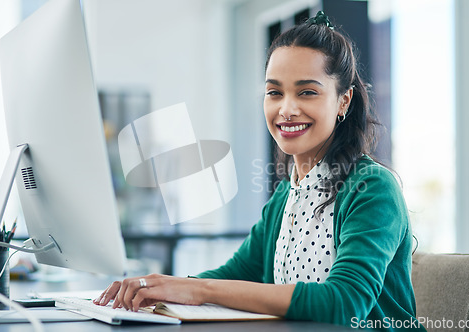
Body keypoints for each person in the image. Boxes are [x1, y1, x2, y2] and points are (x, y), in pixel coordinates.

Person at [94, 11, 425, 331]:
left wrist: (199, 291)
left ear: (343, 101)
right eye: (274, 92)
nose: (287, 109)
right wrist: (161, 288)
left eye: (307, 91)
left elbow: (345, 303)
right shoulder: (288, 193)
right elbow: (238, 272)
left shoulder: (372, 188)